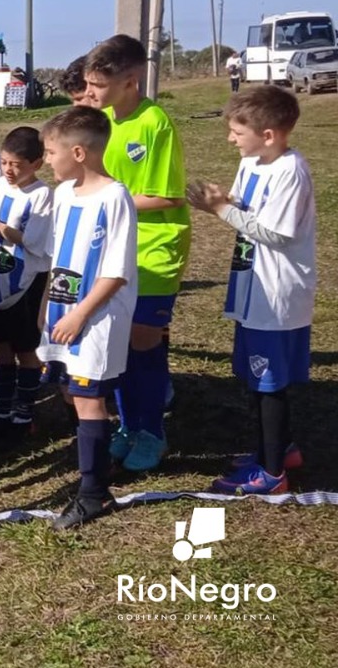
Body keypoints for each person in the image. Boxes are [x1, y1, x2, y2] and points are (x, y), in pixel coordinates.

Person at [186, 85, 314, 495]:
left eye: (238, 132)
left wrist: (219, 209)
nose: (230, 139)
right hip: (252, 288)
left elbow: (276, 233)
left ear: (271, 134)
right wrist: (225, 198)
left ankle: (272, 473)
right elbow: (246, 205)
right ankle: (277, 448)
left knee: (268, 383)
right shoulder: (254, 162)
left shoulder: (290, 171)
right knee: (258, 379)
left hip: (275, 296)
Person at [82, 34, 190, 472]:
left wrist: (109, 203)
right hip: (115, 254)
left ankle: (152, 432)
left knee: (144, 343)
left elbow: (167, 196)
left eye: (99, 85)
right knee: (120, 345)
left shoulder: (153, 123)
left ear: (131, 81)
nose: (92, 93)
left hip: (154, 252)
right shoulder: (103, 121)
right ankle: (128, 425)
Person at [36, 107, 138, 530]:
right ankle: (93, 469)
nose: (46, 160)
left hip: (96, 319)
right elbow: (57, 257)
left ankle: (94, 493)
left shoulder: (115, 197)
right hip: (63, 313)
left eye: (49, 152)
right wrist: (47, 304)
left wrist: (80, 314)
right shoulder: (62, 194)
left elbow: (115, 271)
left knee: (89, 397)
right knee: (72, 394)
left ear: (77, 152)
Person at [0, 127, 53, 445]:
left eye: (16, 164)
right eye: (4, 162)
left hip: (26, 281)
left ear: (36, 163)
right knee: (1, 349)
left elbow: (35, 242)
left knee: (26, 350)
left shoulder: (42, 195)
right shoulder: (4, 188)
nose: (8, 170)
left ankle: (24, 415)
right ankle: (2, 413)